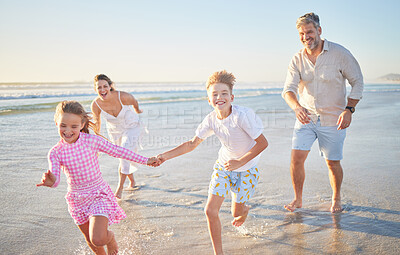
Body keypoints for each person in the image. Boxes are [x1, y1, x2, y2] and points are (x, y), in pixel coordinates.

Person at [157, 70, 268, 255]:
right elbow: (192, 144)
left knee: (236, 214)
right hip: (224, 166)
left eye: (224, 93)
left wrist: (240, 162)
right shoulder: (210, 120)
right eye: (214, 94)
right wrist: (164, 156)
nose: (219, 97)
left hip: (247, 169)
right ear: (209, 100)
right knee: (210, 211)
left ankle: (244, 210)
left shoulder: (242, 116)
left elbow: (263, 143)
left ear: (232, 97)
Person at [36, 100, 159, 255]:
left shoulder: (92, 141)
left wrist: (146, 160)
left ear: (82, 124)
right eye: (63, 125)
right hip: (77, 199)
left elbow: (119, 151)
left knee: (99, 239)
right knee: (90, 240)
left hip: (98, 194)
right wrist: (51, 181)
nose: (68, 131)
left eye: (74, 126)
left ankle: (111, 238)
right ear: (56, 123)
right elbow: (56, 179)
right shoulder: (56, 152)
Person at [282, 13, 364, 213]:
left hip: (333, 119)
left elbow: (357, 82)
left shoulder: (340, 53)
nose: (305, 37)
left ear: (319, 31)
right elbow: (288, 90)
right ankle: (298, 199)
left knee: (332, 162)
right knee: (296, 158)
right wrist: (297, 107)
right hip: (306, 117)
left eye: (309, 32)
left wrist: (349, 110)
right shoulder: (297, 59)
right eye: (301, 33)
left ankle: (336, 198)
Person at [91, 74, 143, 199]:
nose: (102, 90)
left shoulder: (122, 97)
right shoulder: (95, 105)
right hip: (115, 132)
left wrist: (137, 110)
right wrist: (96, 143)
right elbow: (97, 125)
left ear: (110, 86)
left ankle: (119, 189)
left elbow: (135, 102)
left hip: (132, 127)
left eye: (105, 86)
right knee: (123, 157)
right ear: (95, 89)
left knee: (124, 152)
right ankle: (132, 181)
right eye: (99, 88)